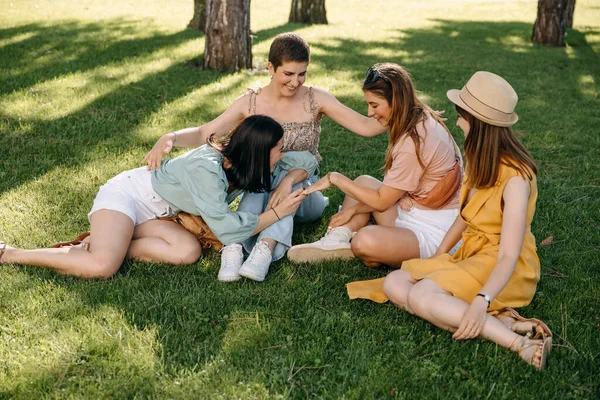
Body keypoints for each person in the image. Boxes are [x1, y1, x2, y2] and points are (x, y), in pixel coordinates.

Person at [143, 33, 386, 282]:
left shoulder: (315, 99)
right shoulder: (250, 102)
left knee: (275, 176)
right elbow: (206, 132)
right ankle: (236, 249)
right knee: (261, 178)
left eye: (302, 74)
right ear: (271, 68)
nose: (296, 82)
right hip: (262, 186)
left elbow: (367, 127)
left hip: (302, 189)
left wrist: (409, 110)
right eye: (288, 74)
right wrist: (171, 136)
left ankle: (261, 250)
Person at [0, 116, 314, 279]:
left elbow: (308, 161)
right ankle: (12, 254)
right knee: (102, 267)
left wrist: (286, 181)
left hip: (160, 215)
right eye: (278, 149)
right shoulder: (207, 167)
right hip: (128, 197)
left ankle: (109, 241)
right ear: (258, 151)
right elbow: (227, 230)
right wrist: (276, 213)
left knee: (187, 252)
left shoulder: (246, 161)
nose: (283, 153)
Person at [382, 71, 551, 370]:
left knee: (421, 296)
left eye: (462, 114)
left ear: (479, 122)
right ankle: (502, 322)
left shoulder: (516, 179)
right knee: (395, 282)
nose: (457, 122)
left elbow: (509, 254)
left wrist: (482, 299)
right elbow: (463, 218)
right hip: (473, 253)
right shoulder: (478, 157)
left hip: (507, 266)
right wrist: (436, 260)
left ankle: (519, 343)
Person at [287, 63, 462, 268]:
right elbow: (390, 196)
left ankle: (360, 243)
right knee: (362, 183)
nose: (370, 113)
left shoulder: (415, 141)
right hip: (413, 210)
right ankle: (337, 240)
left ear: (395, 101)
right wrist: (355, 209)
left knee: (364, 242)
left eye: (375, 105)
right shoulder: (418, 118)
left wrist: (336, 179)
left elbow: (381, 202)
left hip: (437, 232)